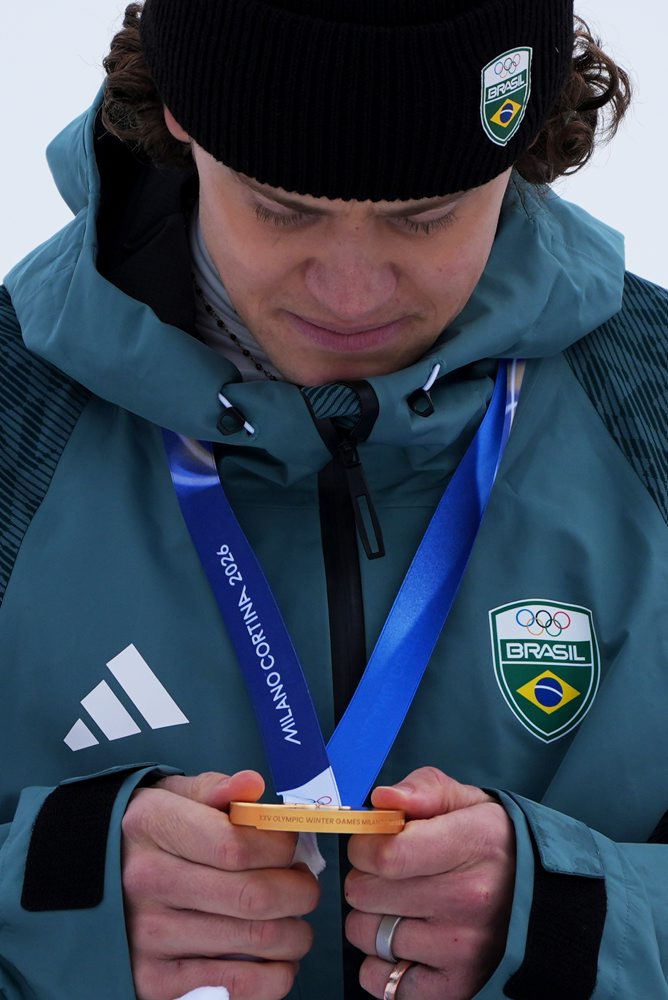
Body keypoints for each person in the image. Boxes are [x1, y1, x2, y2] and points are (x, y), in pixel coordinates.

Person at [1, 1, 666, 998]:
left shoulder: (649, 406)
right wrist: (46, 897)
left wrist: (579, 914)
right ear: (182, 116)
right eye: (283, 207)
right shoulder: (18, 412)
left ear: (524, 139)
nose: (350, 295)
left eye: (423, 216)